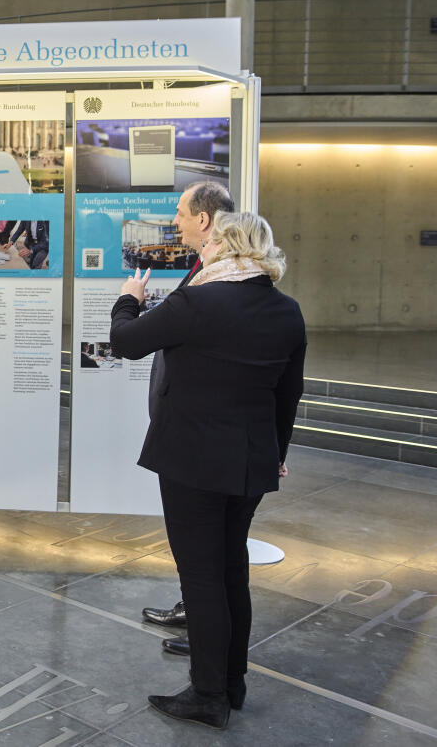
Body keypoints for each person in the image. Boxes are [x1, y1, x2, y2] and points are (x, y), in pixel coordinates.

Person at [110, 212, 306, 729]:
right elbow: (288, 395)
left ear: (221, 243)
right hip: (252, 461)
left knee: (200, 576)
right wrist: (277, 452)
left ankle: (207, 694)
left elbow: (125, 342)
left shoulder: (198, 299)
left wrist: (129, 295)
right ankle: (232, 684)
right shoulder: (287, 311)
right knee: (229, 572)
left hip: (193, 461)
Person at [141, 180, 236, 654]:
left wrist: (131, 304)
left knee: (204, 552)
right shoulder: (206, 270)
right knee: (210, 553)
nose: (175, 222)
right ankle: (198, 621)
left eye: (180, 213)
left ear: (203, 219)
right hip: (215, 436)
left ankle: (207, 643)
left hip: (200, 439)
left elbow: (131, 340)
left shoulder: (216, 281)